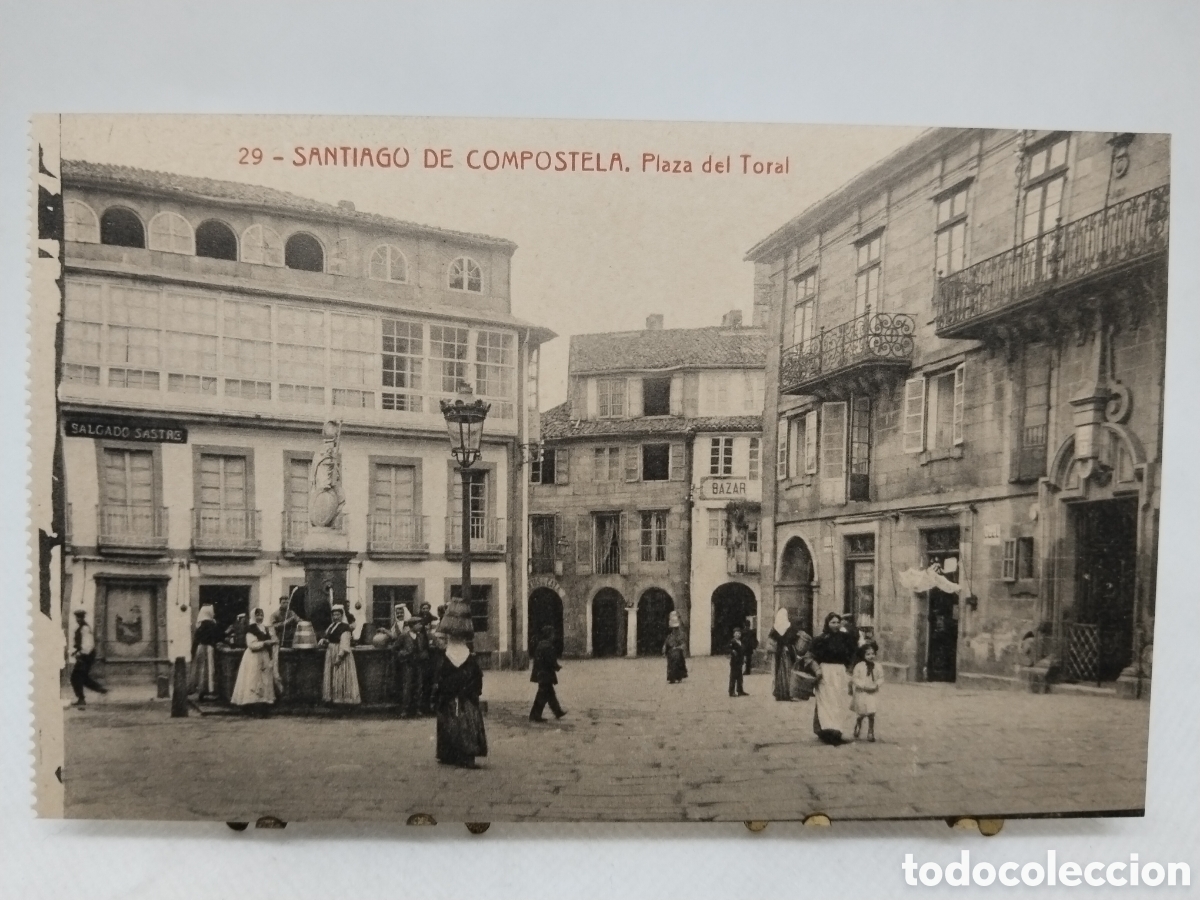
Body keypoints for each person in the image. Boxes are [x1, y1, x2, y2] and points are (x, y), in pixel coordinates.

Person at [431, 598, 487, 768]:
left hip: (450, 698)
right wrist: (474, 691)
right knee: (467, 722)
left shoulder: (446, 659)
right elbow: (477, 678)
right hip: (467, 698)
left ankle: (448, 753)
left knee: (449, 721)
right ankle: (467, 754)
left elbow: (441, 679)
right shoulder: (469, 659)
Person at [810, 612, 858, 745]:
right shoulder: (820, 639)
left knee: (839, 702)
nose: (836, 625)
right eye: (833, 622)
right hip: (825, 672)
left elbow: (852, 654)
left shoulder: (846, 638)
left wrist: (850, 669)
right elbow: (812, 656)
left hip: (840, 672)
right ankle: (827, 732)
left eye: (838, 622)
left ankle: (837, 731)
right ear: (827, 623)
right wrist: (817, 670)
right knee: (826, 702)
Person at [230, 608, 277, 716]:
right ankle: (251, 706)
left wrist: (272, 642)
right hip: (253, 657)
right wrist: (265, 643)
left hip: (263, 656)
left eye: (261, 615)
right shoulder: (251, 629)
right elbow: (251, 645)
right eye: (257, 615)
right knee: (253, 680)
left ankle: (263, 706)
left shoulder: (264, 628)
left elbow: (269, 638)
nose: (260, 617)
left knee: (264, 680)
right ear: (253, 616)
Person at [319, 605, 361, 706]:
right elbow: (330, 638)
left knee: (341, 674)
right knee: (333, 675)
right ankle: (333, 699)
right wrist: (325, 641)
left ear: (342, 615)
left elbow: (345, 643)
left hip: (340, 653)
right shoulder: (332, 626)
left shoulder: (345, 627)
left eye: (338, 615)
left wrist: (340, 656)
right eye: (334, 615)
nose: (335, 617)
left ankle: (343, 700)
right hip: (331, 652)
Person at [69, 609, 107, 707]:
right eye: (77, 617)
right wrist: (76, 652)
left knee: (75, 677)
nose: (77, 619)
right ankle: (101, 690)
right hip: (85, 655)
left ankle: (81, 699)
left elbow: (88, 644)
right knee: (83, 678)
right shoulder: (82, 627)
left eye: (79, 617)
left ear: (82, 618)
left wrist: (81, 653)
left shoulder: (84, 628)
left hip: (85, 656)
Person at [529, 625, 567, 721]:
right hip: (546, 674)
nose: (554, 636)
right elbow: (550, 661)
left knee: (550, 694)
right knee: (542, 695)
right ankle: (535, 716)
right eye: (552, 634)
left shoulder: (541, 644)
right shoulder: (548, 646)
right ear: (549, 635)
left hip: (541, 674)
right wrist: (557, 667)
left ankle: (557, 711)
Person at [188, 605, 222, 700]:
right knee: (209, 668)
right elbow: (217, 637)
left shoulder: (200, 624)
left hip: (200, 647)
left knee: (200, 669)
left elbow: (196, 639)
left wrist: (192, 651)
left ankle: (200, 690)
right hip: (209, 648)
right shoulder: (211, 624)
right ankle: (209, 690)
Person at [391, 612, 421, 718]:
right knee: (407, 687)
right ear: (412, 626)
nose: (420, 626)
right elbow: (395, 648)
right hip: (407, 664)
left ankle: (416, 709)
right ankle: (405, 709)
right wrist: (402, 654)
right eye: (418, 624)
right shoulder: (404, 636)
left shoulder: (420, 636)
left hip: (418, 663)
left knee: (418, 686)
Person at [851, 641, 882, 742]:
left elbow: (881, 678)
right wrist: (863, 685)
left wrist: (876, 684)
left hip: (872, 692)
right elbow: (855, 678)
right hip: (862, 692)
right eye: (868, 654)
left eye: (872, 654)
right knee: (862, 713)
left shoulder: (877, 666)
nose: (871, 656)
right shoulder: (859, 666)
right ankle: (858, 724)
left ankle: (870, 732)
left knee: (871, 713)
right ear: (863, 655)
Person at [769, 608, 797, 701]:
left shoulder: (775, 628)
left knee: (777, 672)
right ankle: (787, 693)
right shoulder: (790, 627)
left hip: (778, 653)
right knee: (788, 672)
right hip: (787, 653)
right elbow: (794, 639)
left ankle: (778, 693)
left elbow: (771, 640)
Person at [664, 619, 688, 684]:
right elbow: (666, 643)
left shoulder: (681, 635)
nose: (675, 629)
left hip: (678, 652)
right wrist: (665, 648)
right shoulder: (670, 636)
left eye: (676, 628)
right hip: (671, 652)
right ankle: (672, 678)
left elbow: (683, 645)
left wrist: (677, 648)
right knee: (671, 663)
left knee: (678, 660)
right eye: (674, 628)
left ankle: (679, 677)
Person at [728, 627, 747, 697]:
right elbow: (729, 649)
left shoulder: (741, 642)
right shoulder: (732, 642)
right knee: (733, 677)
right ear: (734, 634)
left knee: (740, 677)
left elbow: (744, 651)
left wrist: (744, 658)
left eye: (739, 633)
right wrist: (732, 651)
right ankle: (731, 691)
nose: (738, 635)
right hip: (734, 662)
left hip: (740, 661)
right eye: (736, 633)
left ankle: (740, 690)